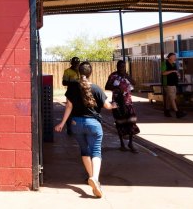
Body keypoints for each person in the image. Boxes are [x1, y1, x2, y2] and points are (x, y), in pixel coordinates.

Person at [55, 61, 117, 199]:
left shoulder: (72, 88)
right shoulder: (96, 88)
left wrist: (62, 123)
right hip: (93, 124)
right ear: (90, 73)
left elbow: (69, 107)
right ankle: (95, 178)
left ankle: (92, 177)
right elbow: (107, 106)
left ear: (79, 72)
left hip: (76, 123)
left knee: (84, 150)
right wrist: (114, 105)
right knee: (96, 151)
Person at [108, 60, 140, 152]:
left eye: (123, 67)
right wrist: (116, 88)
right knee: (120, 122)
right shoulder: (113, 76)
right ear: (117, 67)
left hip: (128, 102)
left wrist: (127, 76)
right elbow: (107, 86)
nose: (122, 68)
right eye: (120, 67)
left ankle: (130, 143)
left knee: (131, 121)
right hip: (117, 102)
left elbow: (134, 83)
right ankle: (122, 143)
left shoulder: (126, 75)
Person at [162, 52, 186, 118]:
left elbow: (175, 71)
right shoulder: (164, 63)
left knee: (169, 98)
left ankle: (167, 111)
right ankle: (177, 112)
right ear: (169, 57)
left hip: (174, 83)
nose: (175, 58)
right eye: (174, 56)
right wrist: (172, 71)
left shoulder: (174, 64)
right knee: (172, 98)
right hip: (168, 83)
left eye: (175, 56)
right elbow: (163, 73)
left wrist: (177, 74)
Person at [62, 57, 81, 135]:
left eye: (77, 63)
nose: (76, 64)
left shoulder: (81, 71)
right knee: (69, 110)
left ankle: (78, 128)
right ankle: (69, 128)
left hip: (80, 93)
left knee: (79, 110)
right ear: (71, 63)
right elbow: (64, 82)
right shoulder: (67, 71)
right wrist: (74, 83)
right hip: (71, 92)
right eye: (74, 63)